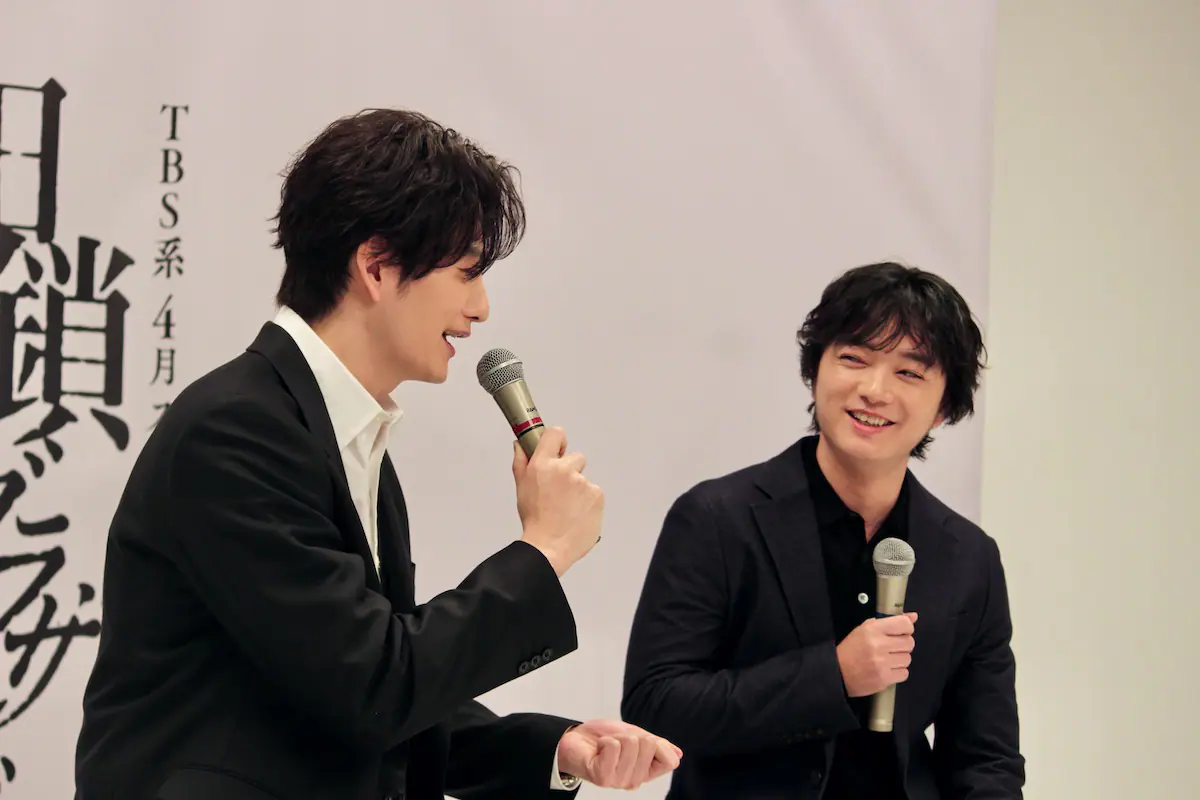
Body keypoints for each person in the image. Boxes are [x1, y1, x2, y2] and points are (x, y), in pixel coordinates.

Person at [74, 108, 681, 800]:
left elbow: (350, 674)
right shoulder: (238, 430)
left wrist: (553, 750)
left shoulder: (336, 432)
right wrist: (542, 551)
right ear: (377, 266)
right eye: (467, 273)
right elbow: (371, 686)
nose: (481, 308)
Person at [620, 262, 1023, 799]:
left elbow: (986, 759)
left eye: (909, 373)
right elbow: (655, 705)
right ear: (815, 372)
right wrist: (833, 675)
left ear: (944, 407)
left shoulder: (968, 556)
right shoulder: (717, 519)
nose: (874, 390)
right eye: (854, 359)